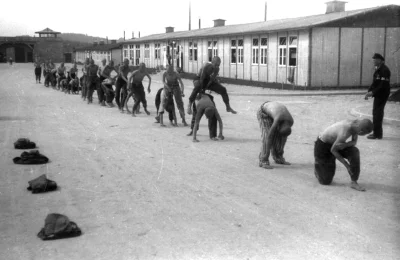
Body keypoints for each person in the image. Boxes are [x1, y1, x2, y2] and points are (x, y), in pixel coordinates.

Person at [314, 119, 373, 192]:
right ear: (361, 132)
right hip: (323, 145)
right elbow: (333, 150)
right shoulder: (345, 131)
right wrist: (347, 166)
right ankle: (318, 166)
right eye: (364, 134)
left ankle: (354, 182)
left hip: (337, 144)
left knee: (354, 152)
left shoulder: (356, 126)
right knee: (325, 181)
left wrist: (345, 145)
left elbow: (354, 142)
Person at [257, 101, 293, 169]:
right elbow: (269, 137)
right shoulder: (278, 118)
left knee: (279, 137)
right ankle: (263, 160)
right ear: (279, 126)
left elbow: (284, 137)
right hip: (264, 112)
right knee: (266, 135)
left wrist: (281, 149)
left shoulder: (291, 121)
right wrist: (266, 154)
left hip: (274, 112)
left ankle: (278, 158)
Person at [364, 53, 391, 140]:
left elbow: (383, 85)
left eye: (375, 59)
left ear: (380, 60)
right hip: (378, 94)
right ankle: (377, 133)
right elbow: (375, 82)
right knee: (376, 113)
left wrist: (372, 93)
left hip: (382, 94)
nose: (373, 61)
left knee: (378, 113)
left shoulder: (384, 70)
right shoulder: (378, 69)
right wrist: (369, 91)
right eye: (373, 59)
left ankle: (377, 134)